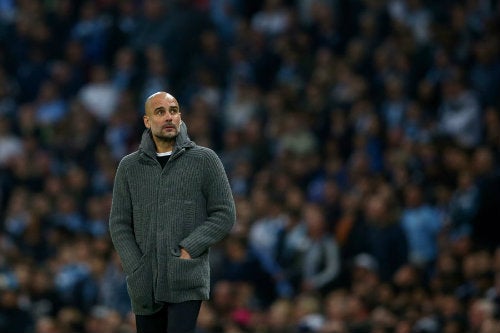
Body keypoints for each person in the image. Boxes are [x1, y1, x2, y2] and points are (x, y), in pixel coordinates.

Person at [109, 91, 236, 333]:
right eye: (160, 112)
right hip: (144, 282)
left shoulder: (204, 159)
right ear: (147, 121)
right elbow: (119, 224)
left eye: (174, 110)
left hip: (185, 277)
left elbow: (224, 213)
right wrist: (136, 266)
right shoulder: (129, 167)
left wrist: (190, 248)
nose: (169, 117)